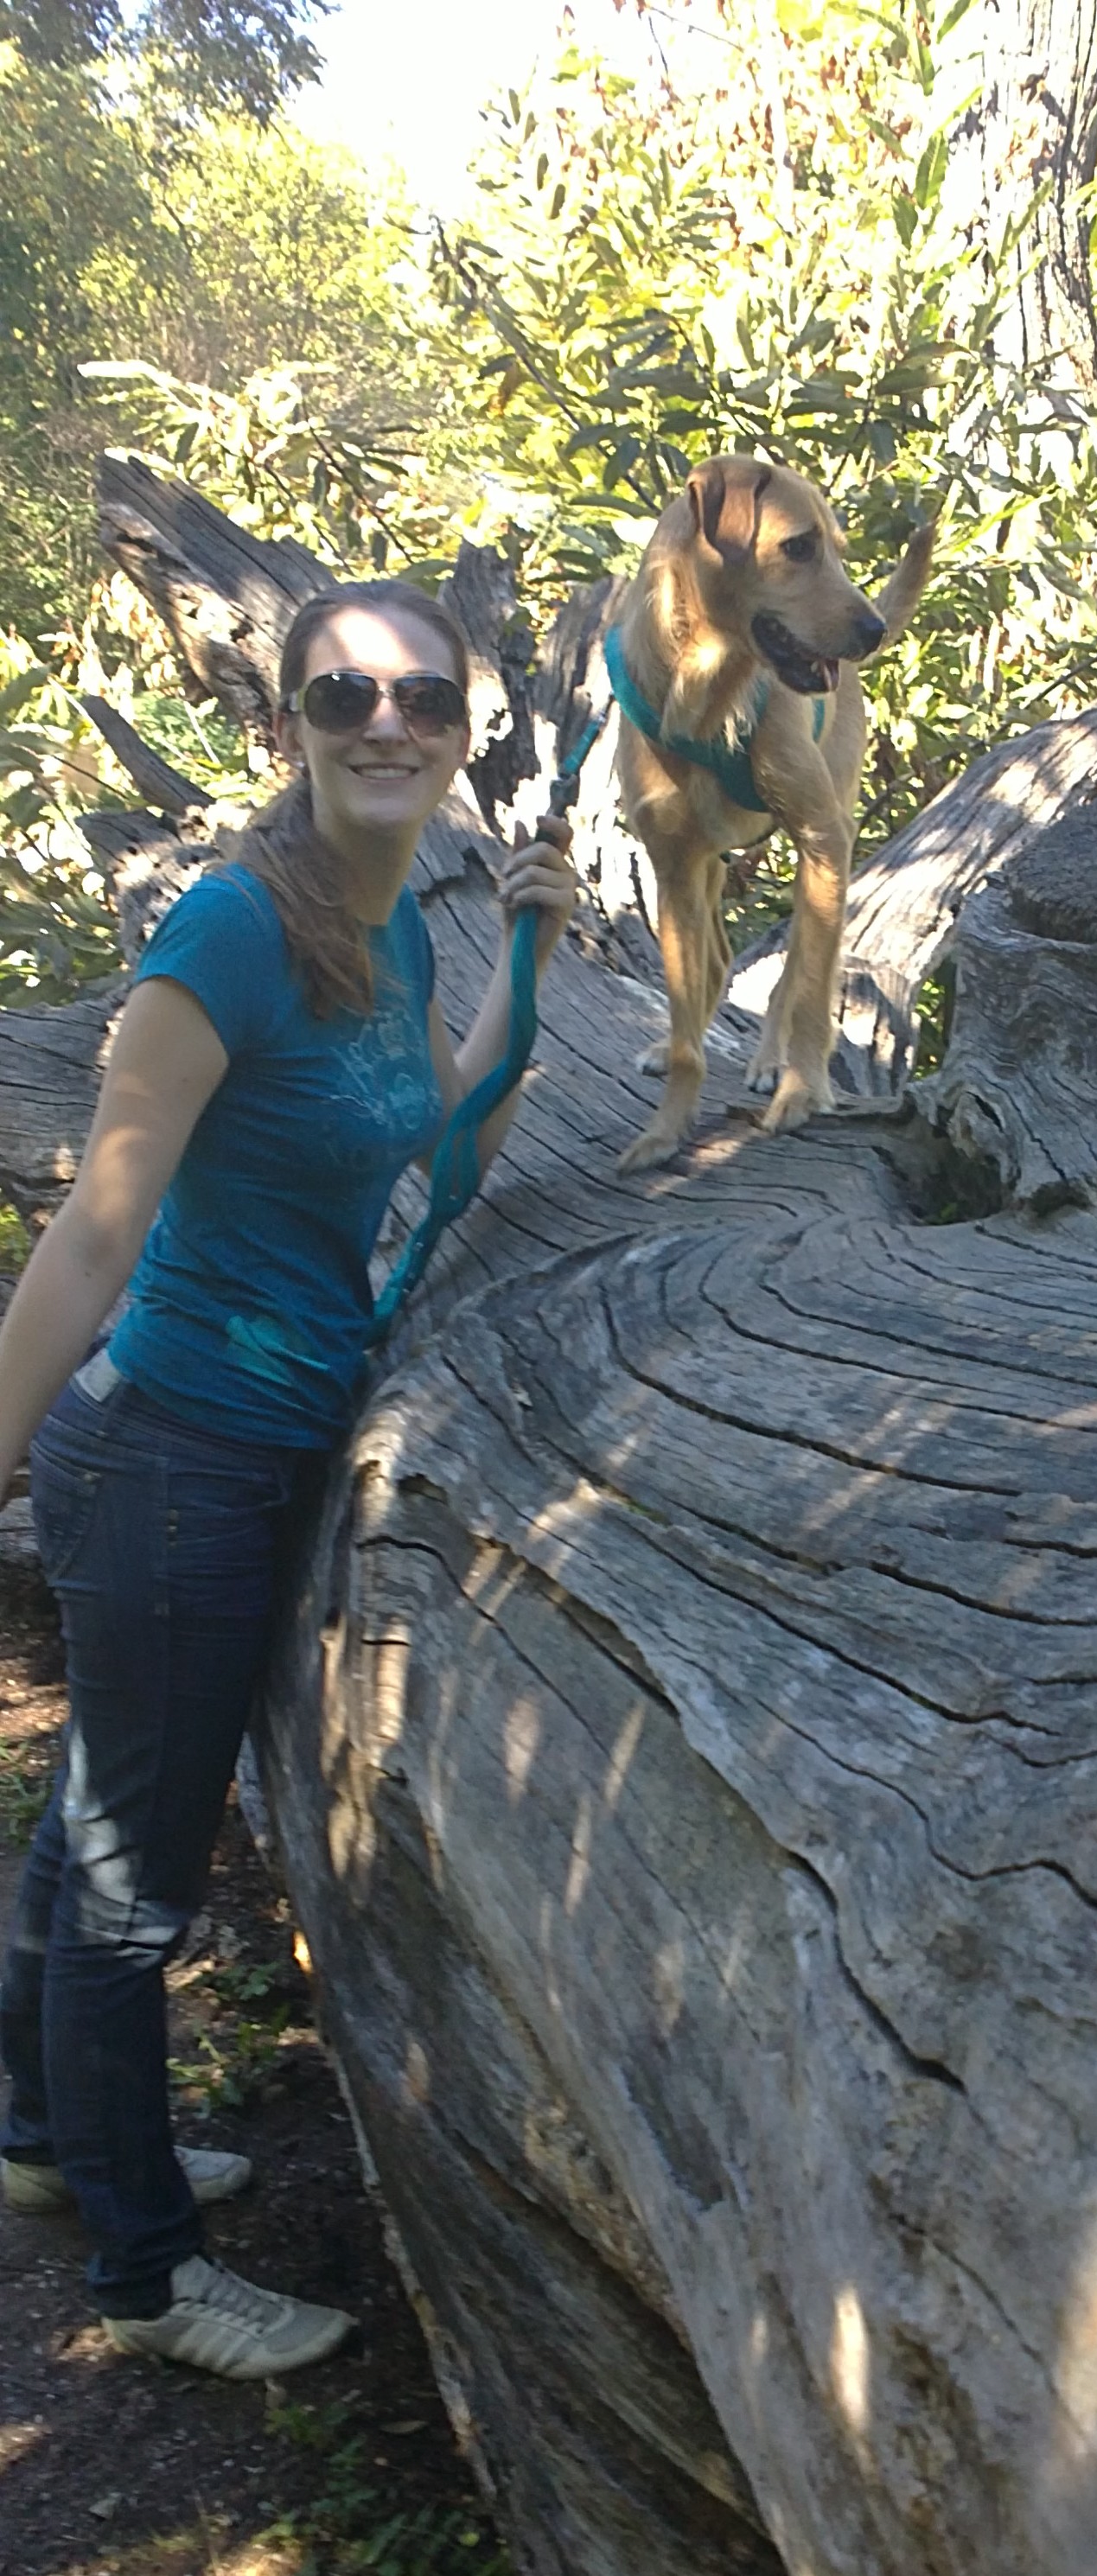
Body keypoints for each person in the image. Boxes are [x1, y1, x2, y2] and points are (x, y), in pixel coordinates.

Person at [0, 577, 576, 2380]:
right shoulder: (229, 933)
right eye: (344, 694)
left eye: (423, 698)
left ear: (465, 732)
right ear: (288, 724)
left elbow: (444, 1137)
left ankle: (39, 2136)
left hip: (240, 1448)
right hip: (170, 1453)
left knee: (98, 1814)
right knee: (131, 1878)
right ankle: (149, 2276)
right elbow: (99, 1232)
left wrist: (533, 954)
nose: (385, 722)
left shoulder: (389, 927)